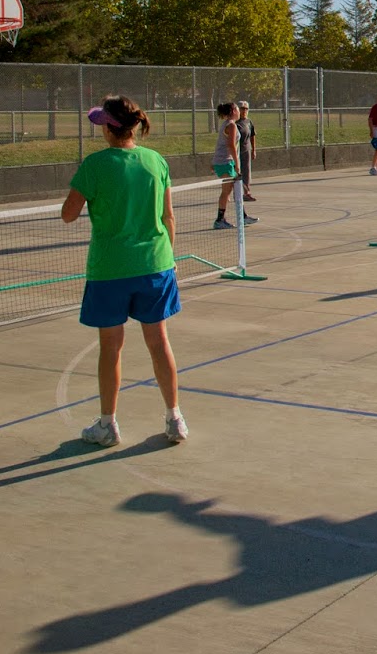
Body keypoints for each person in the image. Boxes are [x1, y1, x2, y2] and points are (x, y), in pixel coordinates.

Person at [61, 95, 187, 447]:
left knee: (110, 347)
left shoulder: (96, 165)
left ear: (110, 128)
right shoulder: (155, 161)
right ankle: (174, 417)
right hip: (156, 265)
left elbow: (68, 214)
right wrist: (169, 260)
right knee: (158, 342)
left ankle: (107, 424)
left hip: (110, 268)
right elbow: (168, 217)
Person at [211, 102, 257, 229]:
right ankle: (220, 220)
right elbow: (230, 146)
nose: (239, 111)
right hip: (225, 162)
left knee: (233, 190)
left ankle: (243, 217)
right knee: (227, 191)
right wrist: (237, 164)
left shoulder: (230, 125)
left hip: (226, 161)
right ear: (233, 111)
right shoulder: (231, 126)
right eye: (237, 109)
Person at [235, 100, 258, 201]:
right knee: (237, 173)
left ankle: (247, 192)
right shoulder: (235, 123)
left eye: (246, 109)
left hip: (247, 151)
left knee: (247, 172)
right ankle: (237, 193)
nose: (244, 111)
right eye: (242, 109)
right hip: (237, 152)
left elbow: (252, 136)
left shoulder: (249, 122)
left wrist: (253, 150)